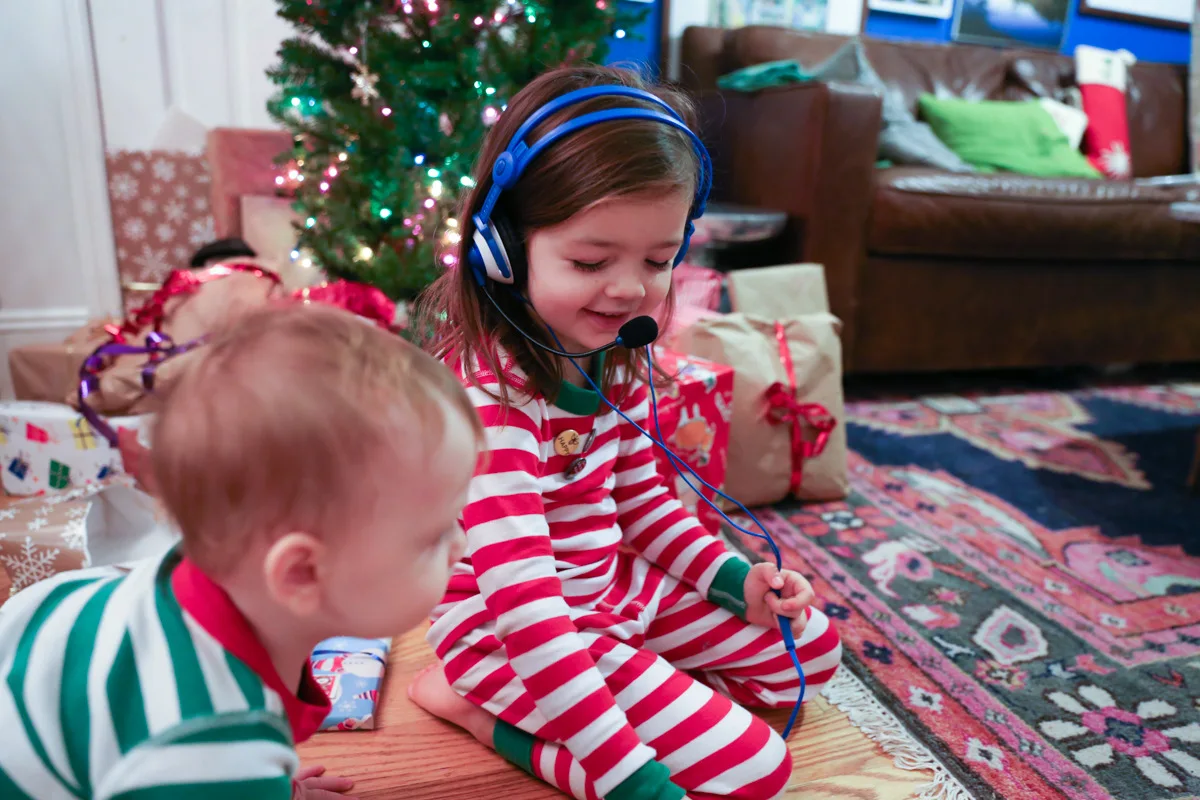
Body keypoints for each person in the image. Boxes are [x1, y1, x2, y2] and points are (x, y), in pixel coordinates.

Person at [411, 64, 843, 800]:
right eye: (590, 260)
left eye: (658, 259)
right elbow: (529, 609)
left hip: (607, 593)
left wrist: (739, 582)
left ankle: (636, 684)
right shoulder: (492, 398)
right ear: (504, 251)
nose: (628, 289)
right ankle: (480, 714)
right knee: (758, 767)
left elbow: (644, 507)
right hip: (510, 634)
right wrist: (625, 776)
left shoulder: (610, 355)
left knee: (812, 651)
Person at [0, 303, 481, 800]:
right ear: (301, 574)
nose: (461, 543)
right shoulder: (204, 741)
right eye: (434, 534)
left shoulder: (191, 585)